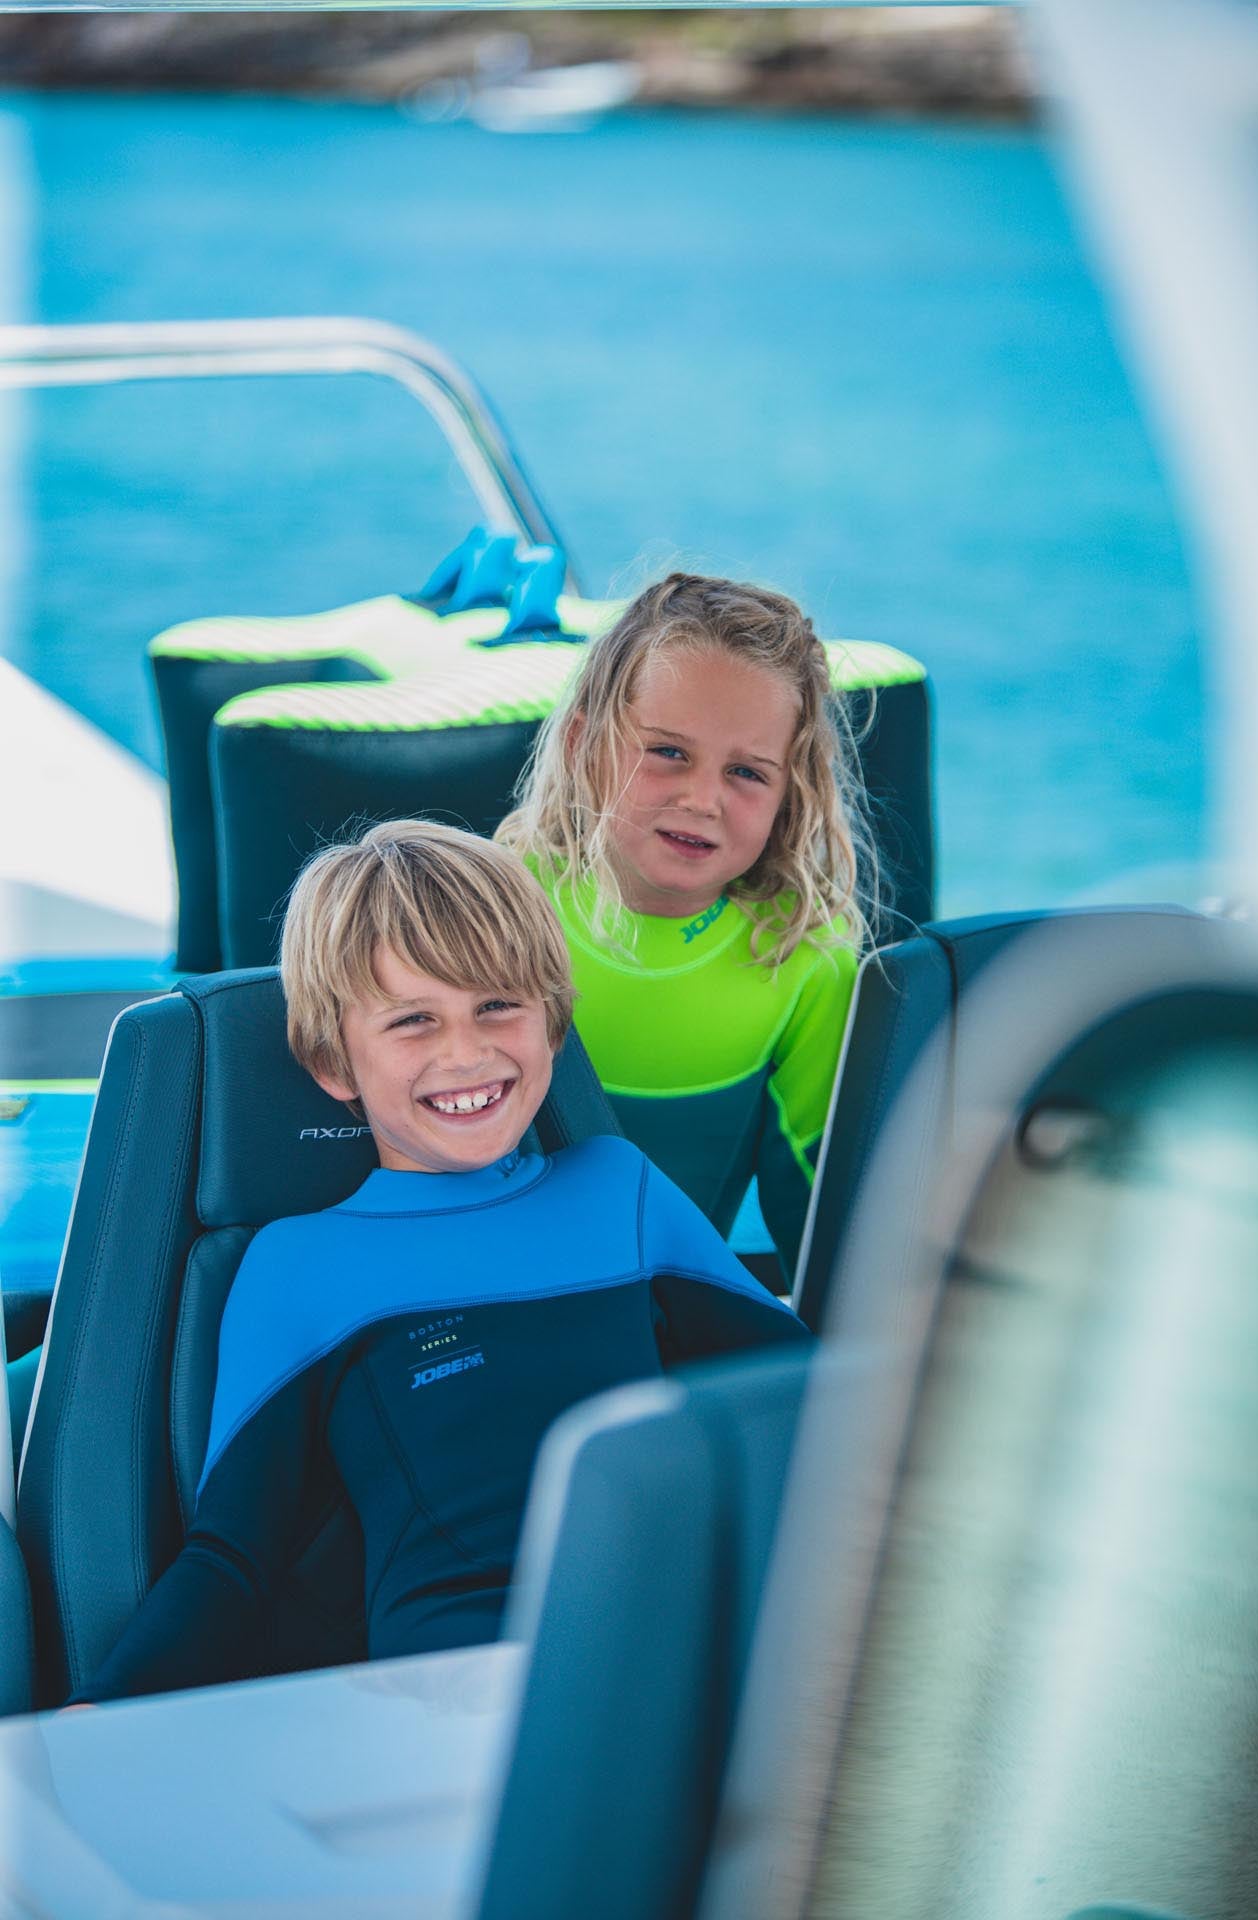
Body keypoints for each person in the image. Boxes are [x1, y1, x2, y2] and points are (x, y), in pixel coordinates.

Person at [71, 820, 809, 1705]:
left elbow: (815, 1404)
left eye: (498, 1006)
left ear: (553, 1022)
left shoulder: (622, 1193)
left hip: (692, 1655)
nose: (466, 1053)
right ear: (332, 1060)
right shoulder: (299, 1267)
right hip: (461, 1697)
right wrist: (80, 1729)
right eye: (413, 1020)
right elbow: (231, 1560)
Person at [498, 572, 877, 1286]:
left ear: (790, 794)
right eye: (668, 752)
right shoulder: (502, 910)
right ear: (583, 743)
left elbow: (818, 1220)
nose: (703, 799)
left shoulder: (800, 957)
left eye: (747, 772)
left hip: (673, 1312)